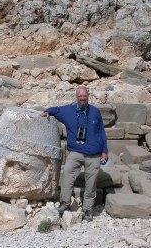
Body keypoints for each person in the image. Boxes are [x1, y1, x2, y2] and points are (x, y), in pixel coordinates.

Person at [41, 86, 108, 221]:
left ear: (88, 96)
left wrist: (104, 151)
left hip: (94, 155)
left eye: (85, 96)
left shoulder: (95, 111)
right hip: (76, 152)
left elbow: (101, 132)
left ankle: (88, 210)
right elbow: (56, 110)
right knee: (66, 176)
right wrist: (47, 112)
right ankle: (65, 202)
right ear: (76, 97)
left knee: (91, 184)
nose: (82, 98)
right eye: (80, 96)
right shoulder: (69, 111)